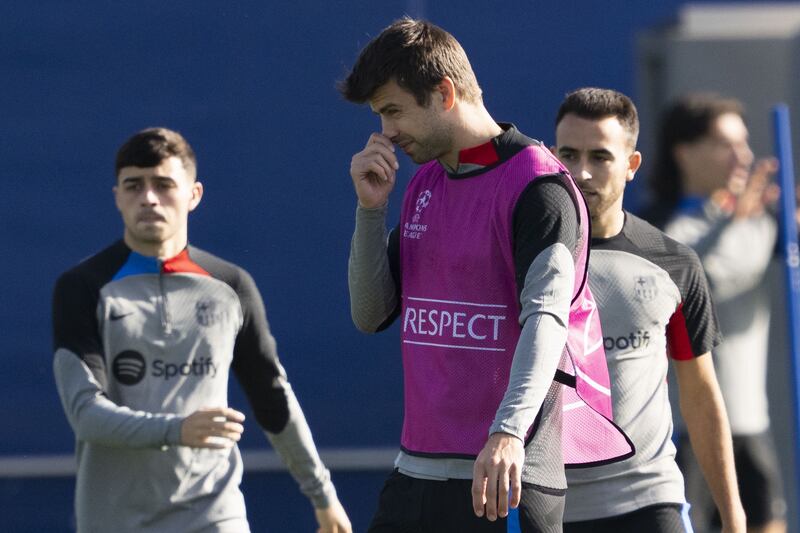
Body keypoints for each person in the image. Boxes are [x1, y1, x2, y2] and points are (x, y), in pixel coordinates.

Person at [339, 18, 631, 533]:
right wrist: (369, 211)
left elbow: (546, 321)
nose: (386, 132)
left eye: (392, 111)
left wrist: (508, 434)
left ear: (444, 93)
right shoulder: (425, 180)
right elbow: (369, 315)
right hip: (415, 475)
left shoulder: (539, 186)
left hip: (503, 479)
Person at [52, 128, 352, 533]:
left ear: (193, 195)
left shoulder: (231, 285)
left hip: (214, 513)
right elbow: (86, 415)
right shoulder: (83, 287)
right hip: (114, 519)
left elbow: (272, 397)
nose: (149, 198)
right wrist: (177, 430)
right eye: (133, 185)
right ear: (117, 197)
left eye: (163, 184)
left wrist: (323, 494)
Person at [552, 88, 745, 533]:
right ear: (550, 156)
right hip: (549, 505)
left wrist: (733, 516)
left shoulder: (673, 264)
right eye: (569, 154)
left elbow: (700, 393)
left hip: (649, 501)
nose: (581, 172)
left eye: (600, 156)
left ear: (631, 165)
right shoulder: (521, 258)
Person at [651, 94, 787, 533]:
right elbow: (691, 279)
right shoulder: (659, 227)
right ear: (684, 152)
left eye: (744, 143)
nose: (743, 157)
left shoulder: (763, 223)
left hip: (750, 424)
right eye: (725, 144)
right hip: (687, 432)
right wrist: (731, 221)